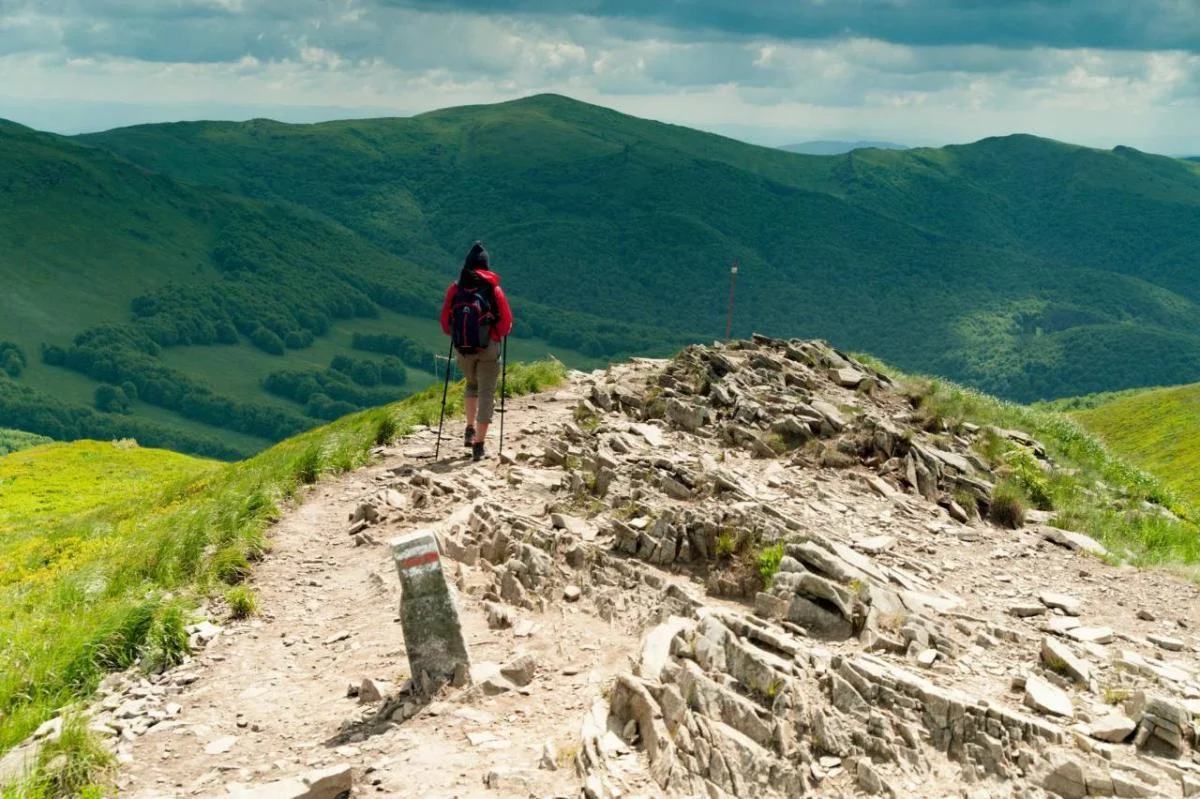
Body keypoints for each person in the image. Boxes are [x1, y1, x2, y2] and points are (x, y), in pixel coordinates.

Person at [439, 241, 513, 461]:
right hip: (488, 348)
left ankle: (469, 428)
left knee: (471, 385)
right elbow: (506, 323)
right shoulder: (493, 289)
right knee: (487, 392)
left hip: (463, 348)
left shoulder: (456, 288)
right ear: (486, 265)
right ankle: (479, 445)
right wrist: (493, 335)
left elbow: (445, 322)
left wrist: (459, 335)